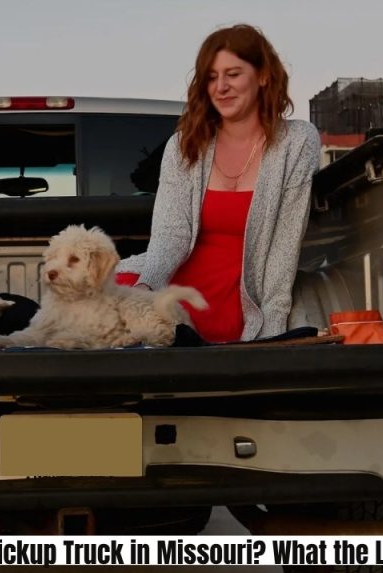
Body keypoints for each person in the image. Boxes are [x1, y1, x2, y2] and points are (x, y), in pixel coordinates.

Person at [115, 24, 321, 342]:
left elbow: (284, 248)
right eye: (211, 77)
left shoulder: (297, 141)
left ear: (263, 75)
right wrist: (147, 286)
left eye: (233, 74)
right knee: (102, 303)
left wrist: (271, 330)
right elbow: (171, 235)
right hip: (172, 284)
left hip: (235, 301)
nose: (221, 87)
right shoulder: (185, 145)